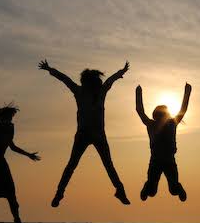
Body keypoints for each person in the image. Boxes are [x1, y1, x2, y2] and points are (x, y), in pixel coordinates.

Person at [38, 59, 131, 207]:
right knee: (72, 165)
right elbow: (65, 79)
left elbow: (110, 80)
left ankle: (120, 191)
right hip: (84, 135)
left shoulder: (99, 93)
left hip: (98, 135)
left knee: (107, 165)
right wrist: (50, 69)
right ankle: (59, 193)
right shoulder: (81, 91)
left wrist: (122, 71)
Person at [135, 83, 192, 201]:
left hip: (168, 161)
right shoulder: (153, 124)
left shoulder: (171, 123)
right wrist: (138, 93)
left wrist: (187, 93)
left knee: (173, 189)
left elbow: (183, 109)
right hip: (156, 161)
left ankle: (178, 189)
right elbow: (140, 111)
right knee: (152, 191)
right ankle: (147, 188)